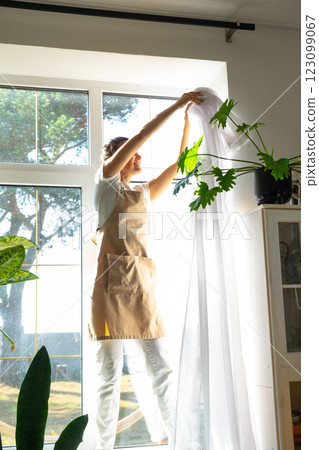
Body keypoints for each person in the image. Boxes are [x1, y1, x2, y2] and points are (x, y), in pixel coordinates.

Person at [89, 91, 203, 450]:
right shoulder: (105, 185)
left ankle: (177, 441)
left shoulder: (142, 193)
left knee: (163, 370)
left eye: (136, 154)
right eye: (131, 153)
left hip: (142, 289)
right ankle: (102, 447)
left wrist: (187, 122)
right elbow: (140, 136)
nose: (139, 156)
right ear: (116, 158)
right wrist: (177, 102)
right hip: (109, 293)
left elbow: (180, 165)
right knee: (109, 376)